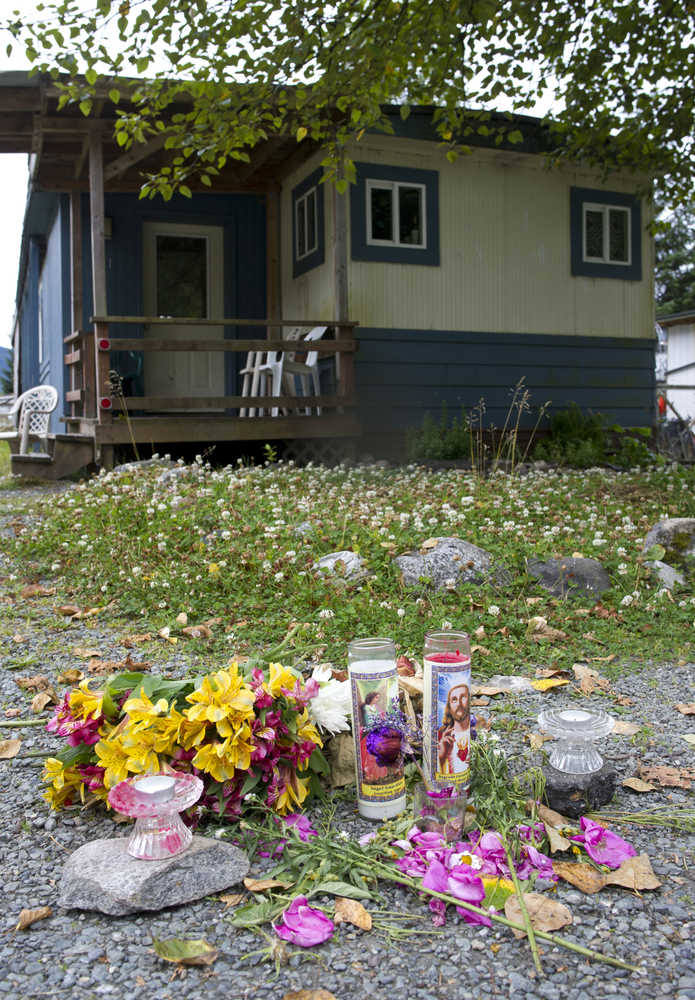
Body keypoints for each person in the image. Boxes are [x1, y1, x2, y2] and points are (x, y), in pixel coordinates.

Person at [437, 682, 470, 776]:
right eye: (454, 700)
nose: (459, 703)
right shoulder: (442, 735)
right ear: (449, 707)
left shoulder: (471, 732)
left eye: (463, 697)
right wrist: (442, 756)